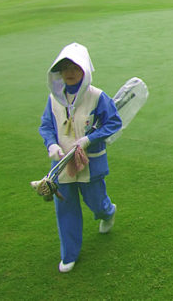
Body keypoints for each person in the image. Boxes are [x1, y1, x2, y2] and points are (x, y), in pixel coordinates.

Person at [38, 42, 122, 273]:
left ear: (84, 69)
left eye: (75, 68)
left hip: (90, 162)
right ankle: (69, 253)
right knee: (65, 208)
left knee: (96, 202)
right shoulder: (53, 99)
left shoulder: (97, 97)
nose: (70, 73)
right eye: (65, 68)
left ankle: (108, 212)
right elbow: (46, 126)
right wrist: (51, 144)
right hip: (61, 165)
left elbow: (113, 122)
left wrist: (88, 140)